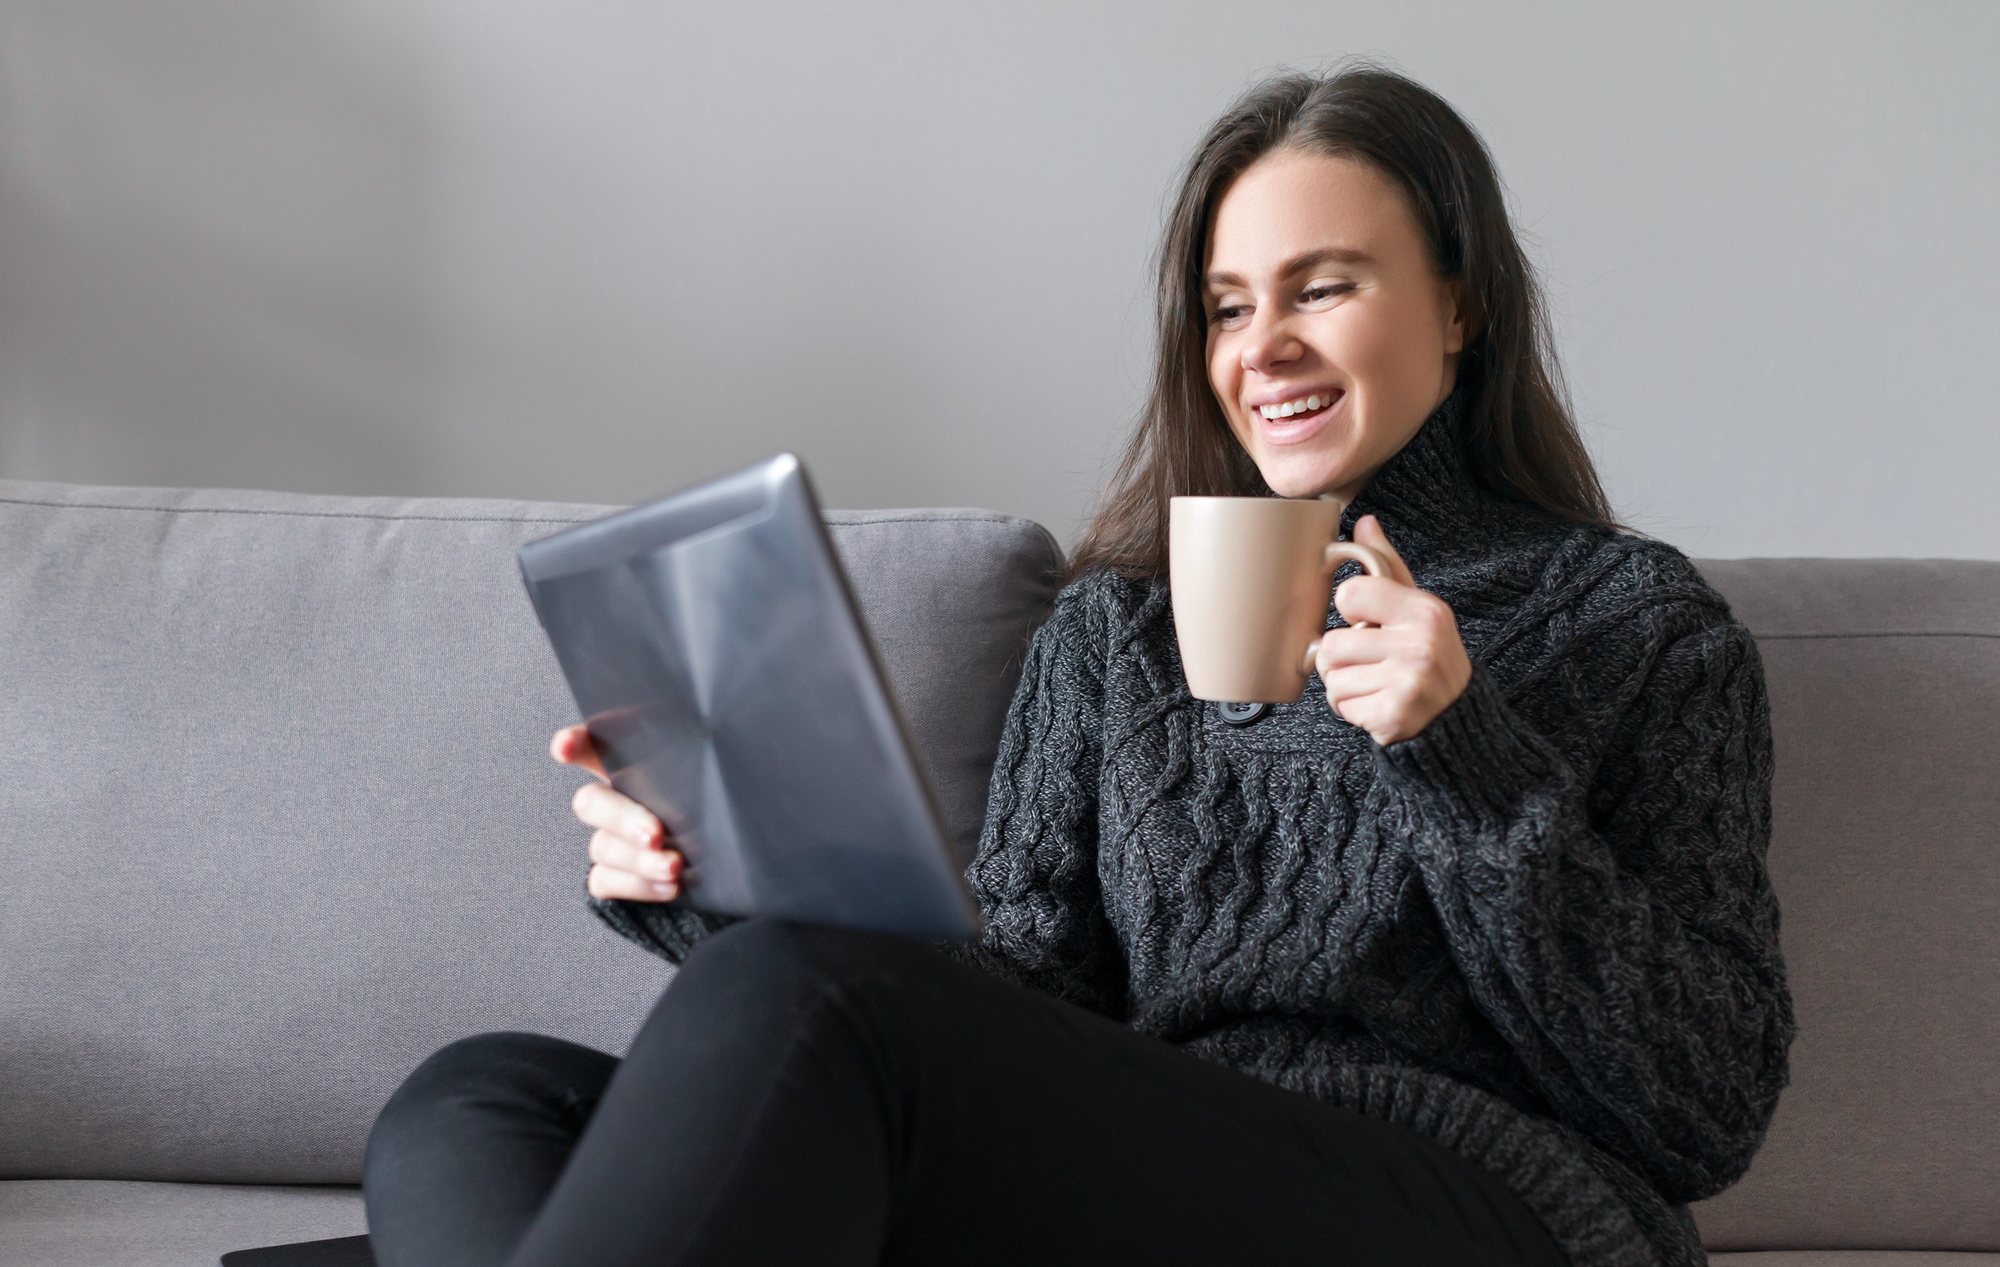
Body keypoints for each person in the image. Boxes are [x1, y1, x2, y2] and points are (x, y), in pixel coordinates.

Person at [363, 65, 1794, 1267]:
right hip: (1144, 1179)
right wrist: (714, 874)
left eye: (1324, 286)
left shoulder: (1633, 622)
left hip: (1469, 1204)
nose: (1265, 345)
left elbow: (1703, 1108)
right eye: (1228, 306)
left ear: (1461, 305)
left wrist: (1462, 746)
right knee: (473, 1099)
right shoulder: (1115, 635)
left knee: (796, 998)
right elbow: (1017, 1008)